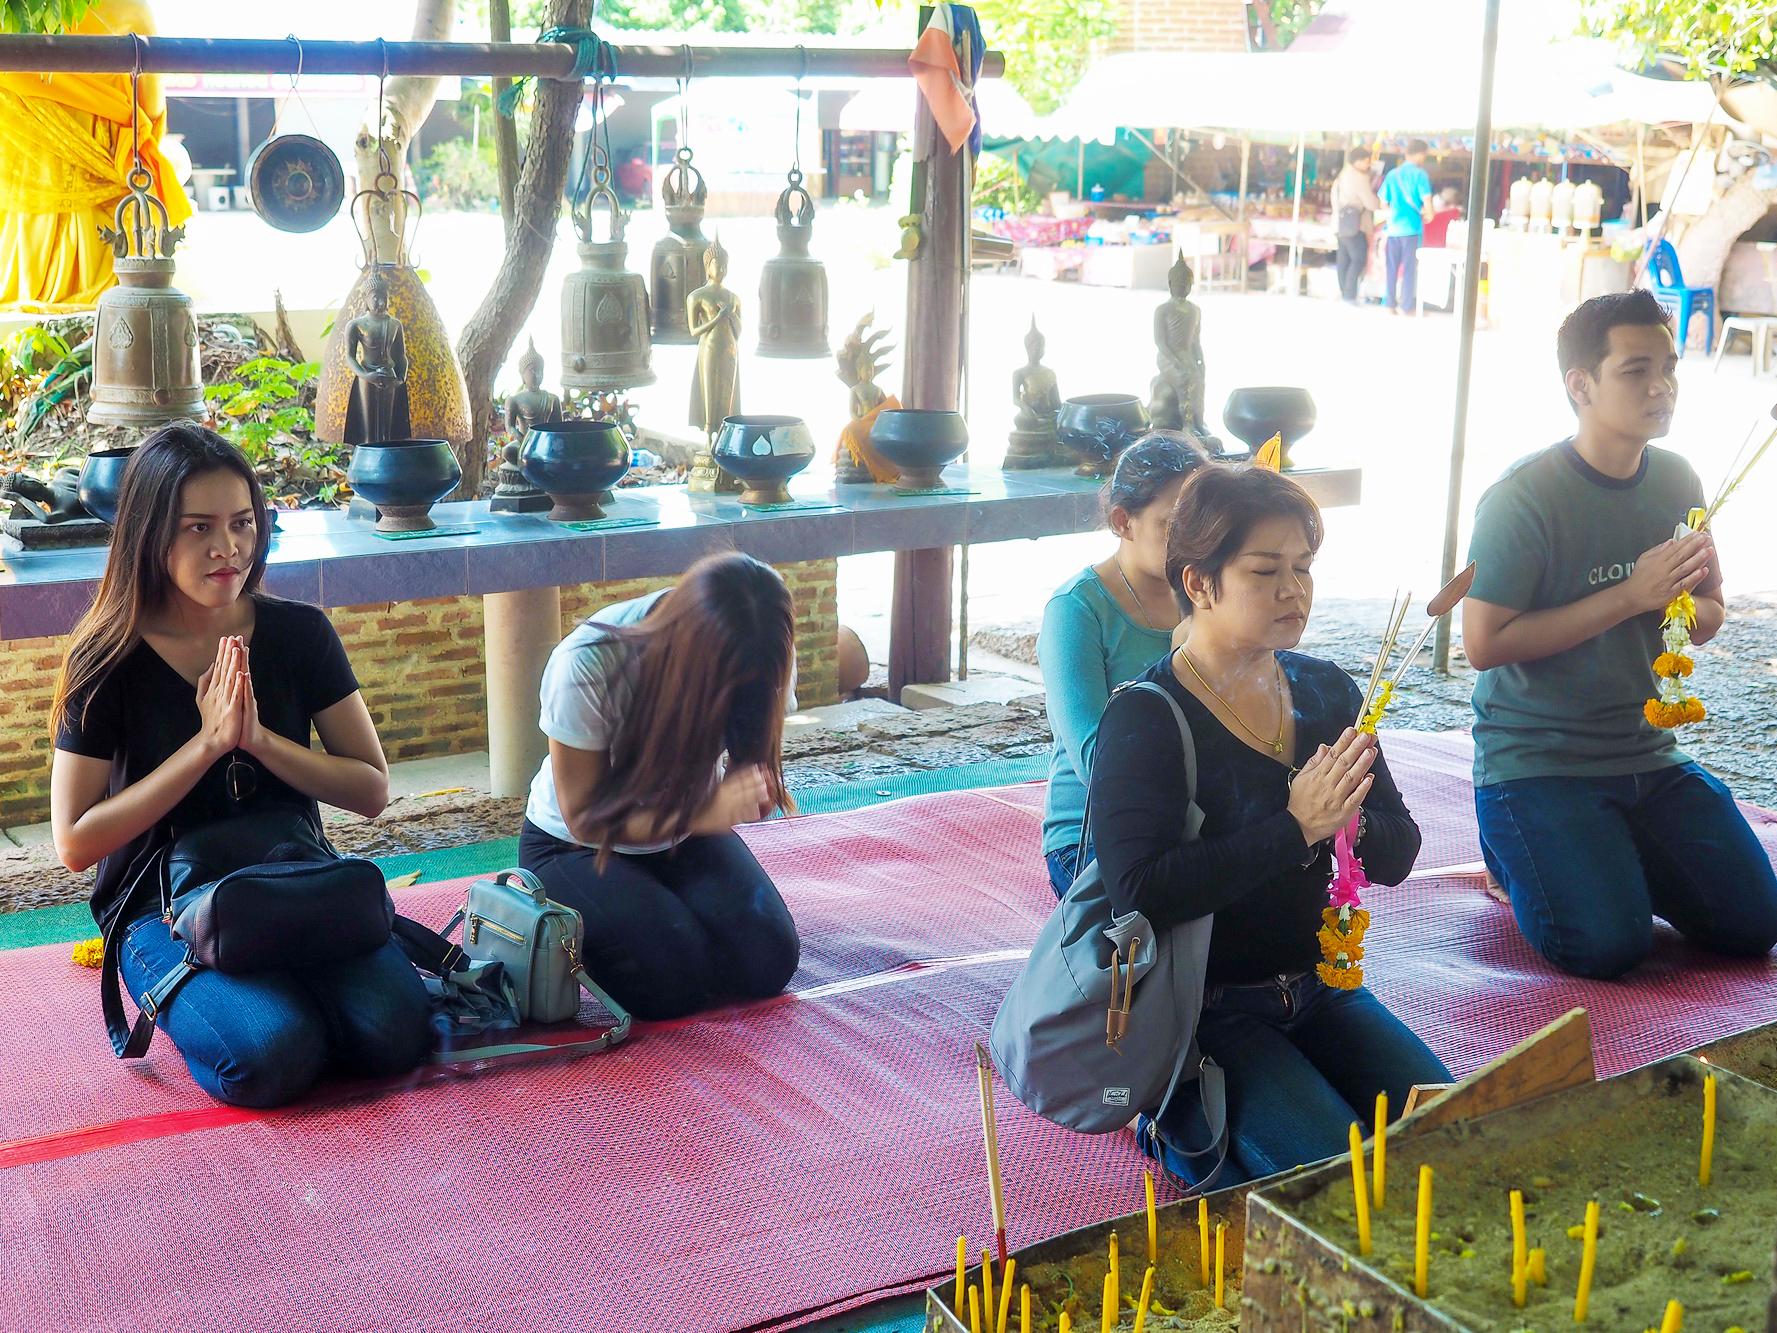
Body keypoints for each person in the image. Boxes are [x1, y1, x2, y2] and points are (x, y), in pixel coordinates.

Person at [1090, 464, 1449, 1187]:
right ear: (1198, 581)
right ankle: (1173, 1112)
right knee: (1338, 1186)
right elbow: (1138, 890)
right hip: (1203, 1008)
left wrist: (1350, 822)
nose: (1293, 590)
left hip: (1321, 985)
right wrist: (1294, 828)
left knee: (1454, 1136)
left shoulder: (1323, 688)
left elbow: (1397, 850)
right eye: (1264, 570)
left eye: (1303, 567)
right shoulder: (1148, 713)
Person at [50, 423, 428, 1107]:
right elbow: (76, 841)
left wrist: (257, 740)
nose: (227, 548)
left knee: (397, 1035)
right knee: (272, 1054)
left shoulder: (299, 633)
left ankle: (293, 998)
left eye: (242, 523)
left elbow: (369, 788)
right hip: (159, 909)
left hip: (292, 880)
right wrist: (205, 746)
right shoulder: (106, 660)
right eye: (198, 528)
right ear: (148, 534)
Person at [1464, 291, 1777, 980]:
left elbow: (1709, 610)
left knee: (1754, 922)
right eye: (1636, 370)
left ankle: (1608, 854)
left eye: (1668, 367)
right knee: (1604, 945)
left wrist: (1670, 607)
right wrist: (1628, 596)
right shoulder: (1522, 497)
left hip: (1645, 752)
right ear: (1580, 385)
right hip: (1537, 760)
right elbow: (1482, 643)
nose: (1662, 386)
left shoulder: (1677, 478)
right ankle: (1517, 850)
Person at [518, 552, 802, 1021]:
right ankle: (657, 923)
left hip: (684, 834)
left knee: (768, 959)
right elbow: (584, 815)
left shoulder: (762, 648)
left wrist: (748, 787)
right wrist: (705, 814)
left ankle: (667, 914)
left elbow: (749, 758)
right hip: (575, 846)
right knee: (672, 983)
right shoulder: (588, 662)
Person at [1038, 434, 1209, 896]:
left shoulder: (1208, 592)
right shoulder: (1077, 609)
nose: (1192, 542)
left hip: (1198, 814)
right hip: (1095, 835)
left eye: (1201, 523)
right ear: (1123, 521)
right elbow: (1097, 762)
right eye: (1172, 525)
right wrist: (1177, 662)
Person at [1378, 140, 1433, 315]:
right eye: (1424, 154)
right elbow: (1427, 201)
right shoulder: (1420, 175)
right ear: (1419, 154)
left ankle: (1389, 305)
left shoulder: (1393, 174)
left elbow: (1383, 203)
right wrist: (1429, 215)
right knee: (1409, 269)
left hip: (1393, 228)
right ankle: (1407, 306)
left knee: (1391, 268)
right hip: (1411, 229)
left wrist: (1395, 213)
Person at [1331, 146, 1384, 305]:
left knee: (1344, 259)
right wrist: (1378, 202)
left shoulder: (1342, 175)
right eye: (1367, 161)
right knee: (1358, 259)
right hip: (1355, 225)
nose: (1368, 165)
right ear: (1358, 161)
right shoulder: (1358, 177)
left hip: (1340, 223)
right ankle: (1349, 294)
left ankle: (1344, 293)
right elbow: (1371, 203)